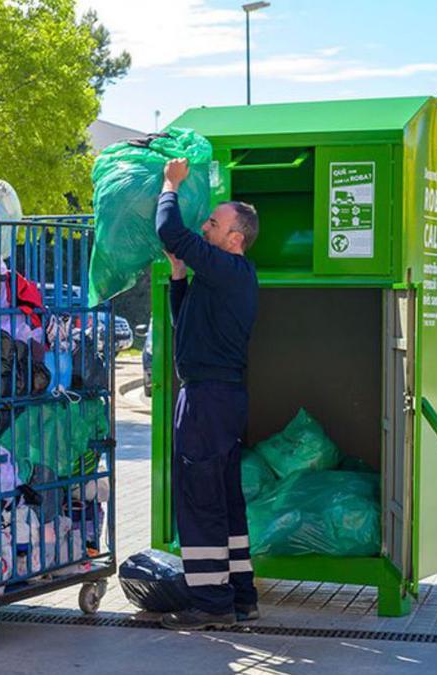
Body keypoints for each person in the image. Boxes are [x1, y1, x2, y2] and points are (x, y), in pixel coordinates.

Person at [154, 157, 261, 630]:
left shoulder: (228, 269)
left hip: (207, 399)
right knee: (224, 497)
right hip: (219, 397)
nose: (205, 227)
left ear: (234, 239)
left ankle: (211, 606)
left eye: (214, 224)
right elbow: (186, 327)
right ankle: (240, 597)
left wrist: (169, 185)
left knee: (199, 497)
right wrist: (179, 277)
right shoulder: (221, 278)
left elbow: (170, 231)